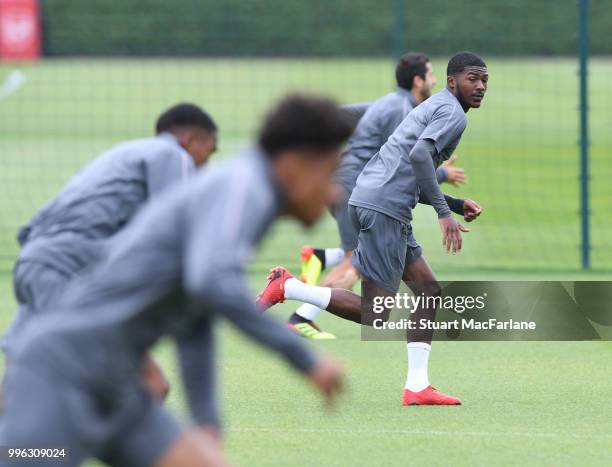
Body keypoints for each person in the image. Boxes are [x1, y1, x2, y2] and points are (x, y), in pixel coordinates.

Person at [0, 94, 351, 467]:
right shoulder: (243, 187)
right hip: (64, 372)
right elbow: (212, 282)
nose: (336, 191)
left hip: (118, 388)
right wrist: (305, 360)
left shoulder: (246, 193)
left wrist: (206, 422)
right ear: (295, 166)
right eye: (331, 171)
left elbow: (194, 318)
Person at [257, 52, 488, 405]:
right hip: (385, 208)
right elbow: (419, 157)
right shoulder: (452, 114)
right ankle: (289, 287)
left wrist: (455, 204)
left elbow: (408, 171)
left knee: (428, 290)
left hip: (377, 200)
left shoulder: (435, 106)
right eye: (473, 78)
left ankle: (417, 387)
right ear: (451, 81)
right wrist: (444, 213)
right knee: (376, 311)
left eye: (485, 80)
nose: (481, 86)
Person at [2, 103, 218, 399]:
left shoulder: (123, 156)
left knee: (17, 392)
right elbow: (173, 232)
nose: (206, 165)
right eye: (210, 152)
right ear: (191, 140)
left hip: (35, 263)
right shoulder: (173, 155)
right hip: (65, 271)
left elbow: (31, 229)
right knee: (150, 385)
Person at [289, 53, 468, 339]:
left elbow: (341, 113)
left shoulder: (387, 101)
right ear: (418, 80)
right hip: (359, 191)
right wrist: (444, 178)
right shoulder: (402, 111)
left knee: (366, 259)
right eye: (431, 75)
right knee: (355, 265)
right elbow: (402, 168)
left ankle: (320, 257)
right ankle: (299, 315)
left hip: (351, 186)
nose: (434, 81)